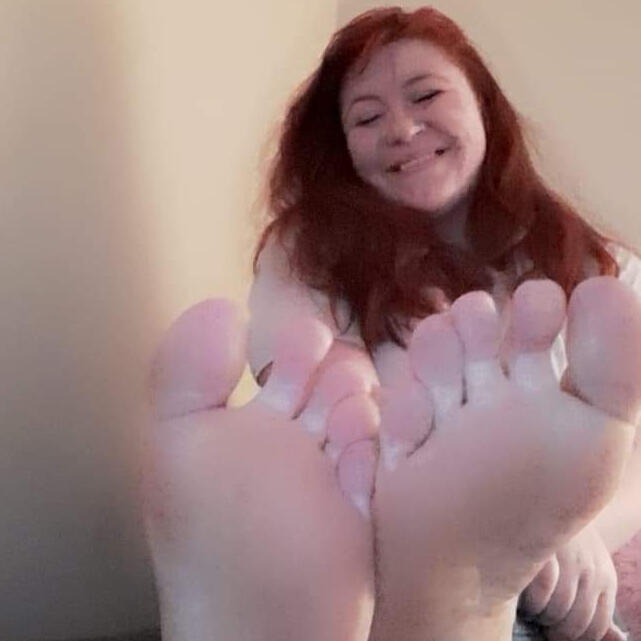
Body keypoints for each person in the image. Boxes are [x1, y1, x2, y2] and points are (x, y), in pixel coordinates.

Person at [142, 6, 641, 640]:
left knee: (545, 601)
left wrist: (567, 525)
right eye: (367, 118)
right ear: (342, 149)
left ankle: (451, 589)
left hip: (552, 574)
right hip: (369, 546)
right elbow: (320, 400)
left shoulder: (602, 270)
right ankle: (437, 589)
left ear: (485, 106)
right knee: (340, 422)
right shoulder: (309, 252)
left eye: (426, 96)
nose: (402, 129)